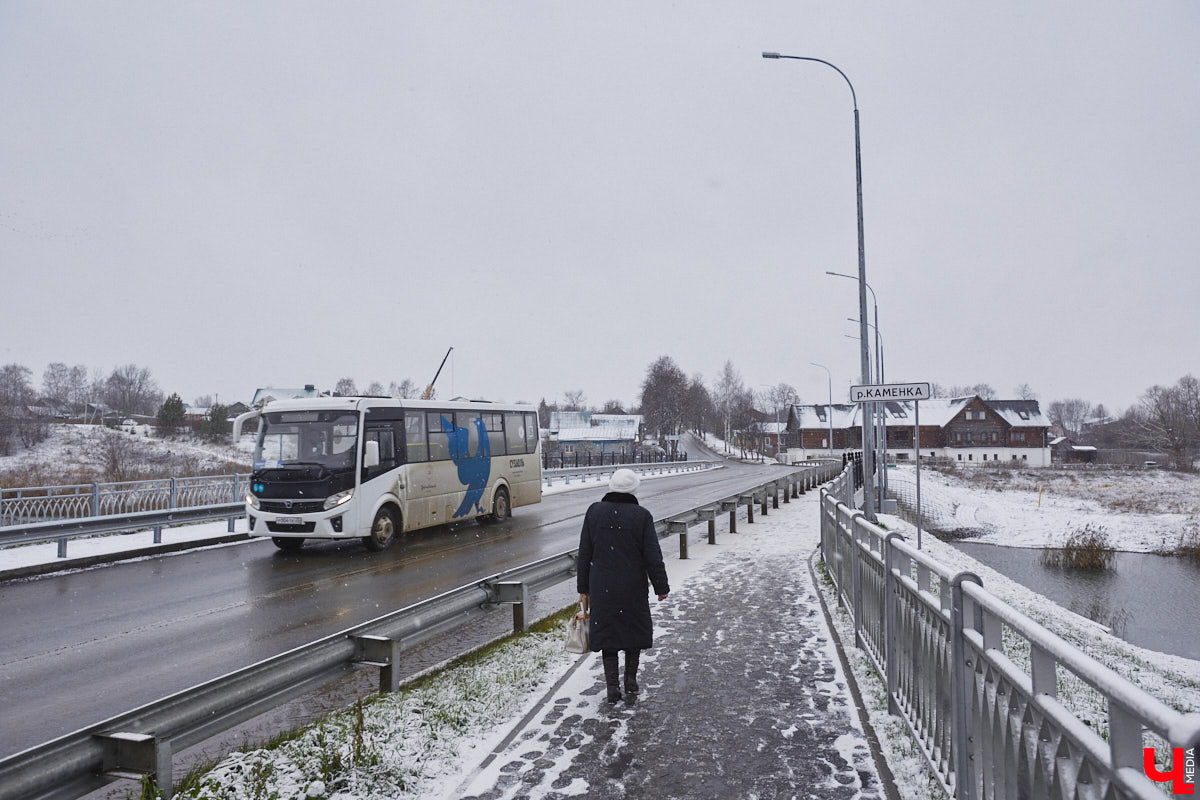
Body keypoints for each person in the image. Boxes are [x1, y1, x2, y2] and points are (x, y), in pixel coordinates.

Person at [576, 468, 670, 703]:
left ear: (611, 486)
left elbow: (584, 552)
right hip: (632, 585)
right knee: (632, 631)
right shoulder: (641, 516)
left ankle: (611, 687)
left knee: (608, 633)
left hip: (602, 586)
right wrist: (661, 586)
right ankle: (630, 680)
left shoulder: (594, 512)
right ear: (634, 489)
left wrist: (583, 587)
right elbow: (652, 555)